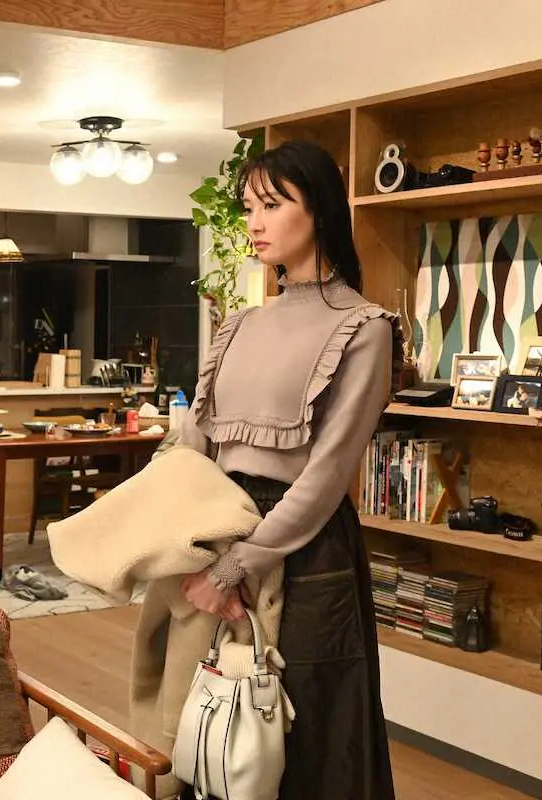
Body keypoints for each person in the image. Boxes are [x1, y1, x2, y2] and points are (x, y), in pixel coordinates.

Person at [178, 139, 398, 798]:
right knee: (222, 728)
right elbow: (195, 441)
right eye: (249, 207)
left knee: (310, 737)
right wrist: (194, 545)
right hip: (221, 532)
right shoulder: (239, 324)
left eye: (272, 205)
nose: (254, 222)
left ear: (320, 210)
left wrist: (235, 567)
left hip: (305, 552)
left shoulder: (364, 327)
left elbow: (327, 476)